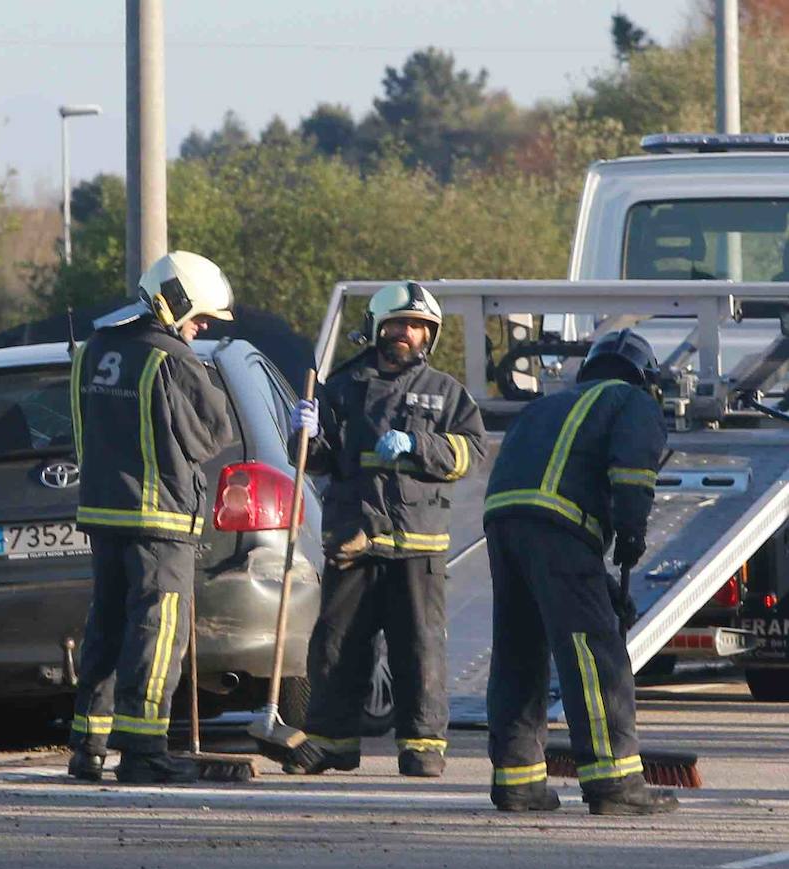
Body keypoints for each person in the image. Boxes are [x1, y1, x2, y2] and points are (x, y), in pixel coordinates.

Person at [281, 281, 486, 778]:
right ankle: (331, 742)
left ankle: (422, 746)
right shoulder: (342, 387)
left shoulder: (447, 393)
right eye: (397, 324)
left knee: (418, 647)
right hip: (354, 540)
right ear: (376, 327)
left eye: (417, 327)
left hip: (416, 545)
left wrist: (419, 444)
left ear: (429, 335)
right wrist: (302, 434)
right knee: (335, 645)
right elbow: (318, 460)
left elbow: (471, 454)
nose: (406, 334)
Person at [483, 328, 678, 815]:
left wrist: (604, 586)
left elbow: (548, 516)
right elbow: (632, 471)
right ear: (643, 378)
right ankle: (614, 783)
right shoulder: (631, 401)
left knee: (519, 653)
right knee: (595, 654)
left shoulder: (543, 407)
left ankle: (517, 782)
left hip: (505, 523)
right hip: (558, 526)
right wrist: (631, 533)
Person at [67, 251, 235, 784]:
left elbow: (82, 431)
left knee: (107, 626)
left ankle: (89, 746)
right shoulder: (174, 360)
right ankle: (144, 750)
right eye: (201, 317)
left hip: (104, 510)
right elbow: (213, 434)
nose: (201, 327)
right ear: (178, 301)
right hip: (160, 517)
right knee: (157, 631)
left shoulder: (96, 348)